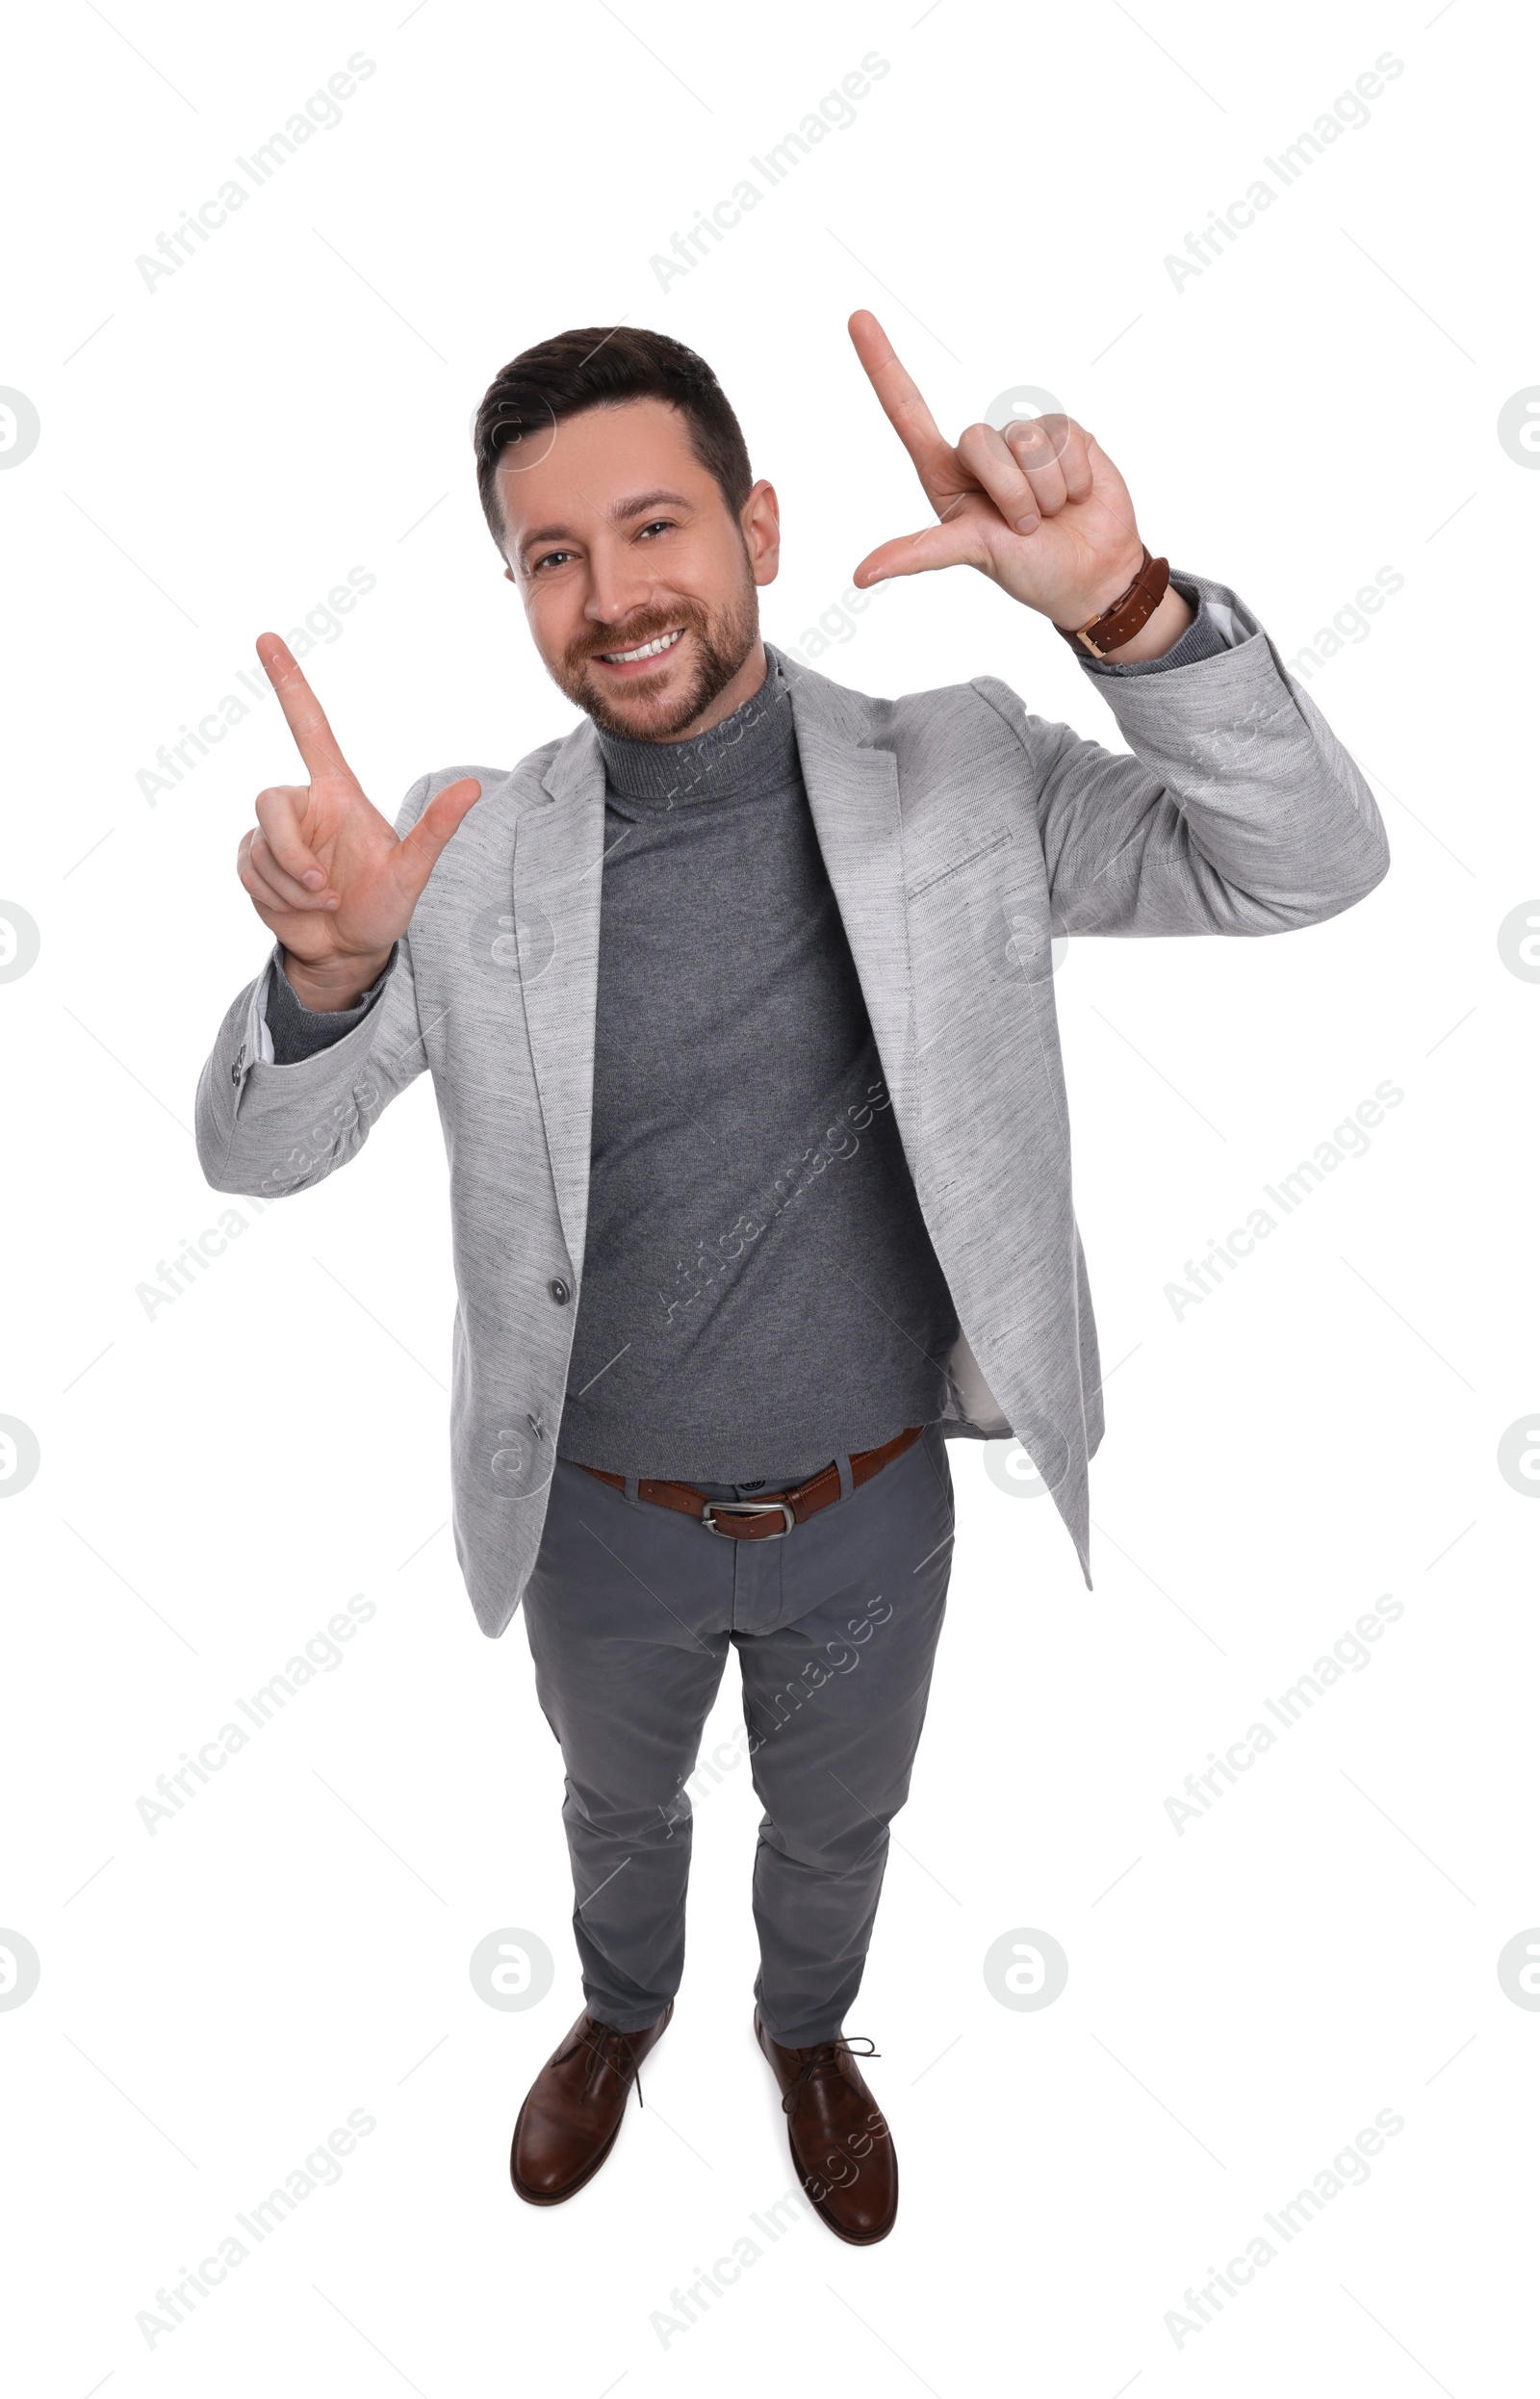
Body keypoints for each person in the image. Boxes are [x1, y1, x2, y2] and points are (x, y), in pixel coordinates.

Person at [194, 313, 1389, 2244]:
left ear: (755, 523)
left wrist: (1123, 608)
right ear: (515, 591)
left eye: (653, 526)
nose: (610, 594)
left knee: (836, 1825)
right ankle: (617, 2003)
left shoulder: (959, 774)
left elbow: (1304, 866)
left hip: (868, 1510)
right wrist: (331, 978)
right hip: (596, 1517)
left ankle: (807, 2034)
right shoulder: (462, 850)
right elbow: (256, 1154)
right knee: (615, 1807)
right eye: (551, 557)